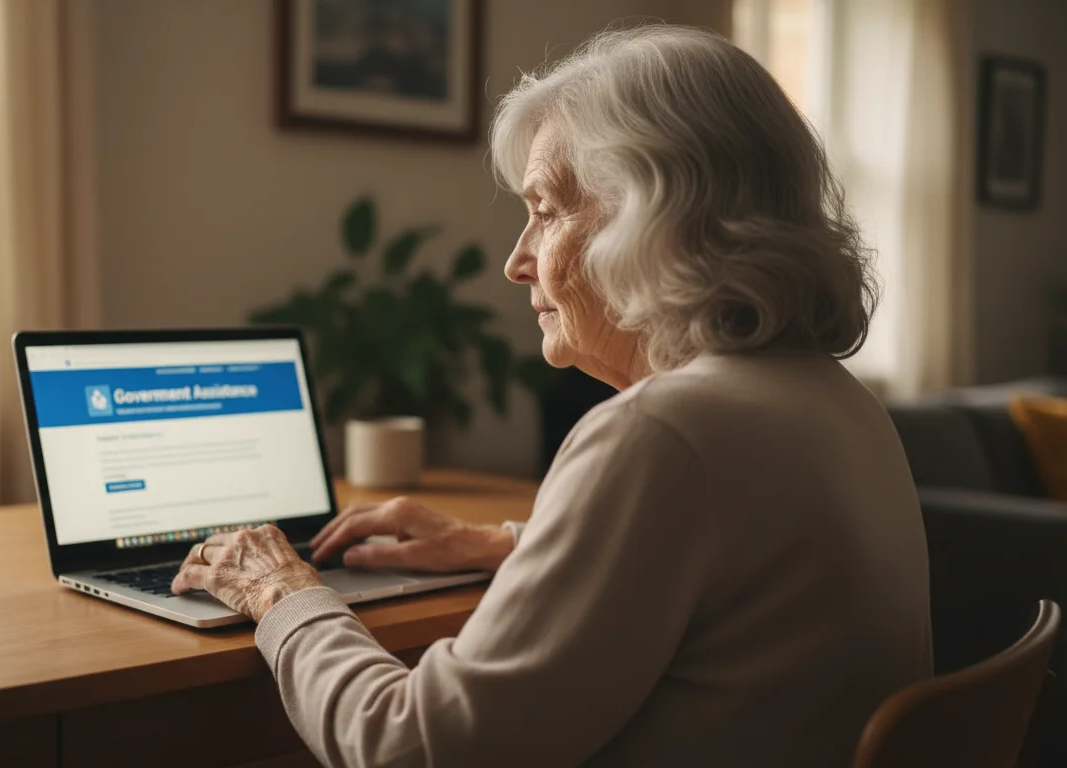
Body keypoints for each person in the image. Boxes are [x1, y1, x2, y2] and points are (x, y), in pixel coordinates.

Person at [172, 24, 931, 767]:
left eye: (544, 211)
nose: (516, 261)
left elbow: (410, 746)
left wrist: (283, 592)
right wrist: (506, 542)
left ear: (652, 216)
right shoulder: (835, 401)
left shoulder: (662, 434)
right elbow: (720, 574)